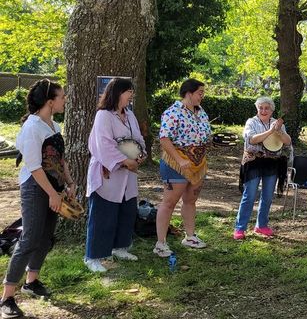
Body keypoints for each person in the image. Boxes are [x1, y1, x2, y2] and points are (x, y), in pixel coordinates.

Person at [1, 80, 73, 319]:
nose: (65, 100)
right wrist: (52, 194)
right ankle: (7, 298)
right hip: (35, 188)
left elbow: (60, 160)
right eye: (62, 97)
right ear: (50, 102)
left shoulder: (53, 124)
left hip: (54, 187)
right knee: (30, 238)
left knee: (45, 238)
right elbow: (33, 167)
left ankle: (31, 282)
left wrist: (69, 183)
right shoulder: (32, 128)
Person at [84, 78, 147, 272]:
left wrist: (140, 155)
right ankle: (93, 256)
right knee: (103, 214)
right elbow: (102, 143)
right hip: (108, 173)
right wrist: (123, 161)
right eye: (128, 91)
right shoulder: (104, 115)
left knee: (126, 211)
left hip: (128, 174)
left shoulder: (129, 115)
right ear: (117, 93)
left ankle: (120, 247)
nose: (131, 95)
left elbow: (138, 138)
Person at [154, 78, 212, 257]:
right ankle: (161, 243)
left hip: (197, 163)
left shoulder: (201, 112)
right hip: (176, 164)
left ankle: (190, 236)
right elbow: (164, 139)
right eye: (199, 93)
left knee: (190, 200)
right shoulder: (173, 112)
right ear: (189, 93)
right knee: (170, 202)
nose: (202, 97)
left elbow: (206, 134)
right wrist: (179, 159)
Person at [234, 96, 291, 240]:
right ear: (257, 109)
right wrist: (270, 132)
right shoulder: (251, 122)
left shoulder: (277, 123)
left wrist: (279, 131)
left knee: (267, 196)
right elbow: (251, 139)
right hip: (253, 161)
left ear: (272, 110)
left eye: (267, 108)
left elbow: (287, 142)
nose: (263, 110)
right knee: (250, 195)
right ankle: (240, 228)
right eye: (261, 107)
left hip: (271, 162)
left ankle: (261, 225)